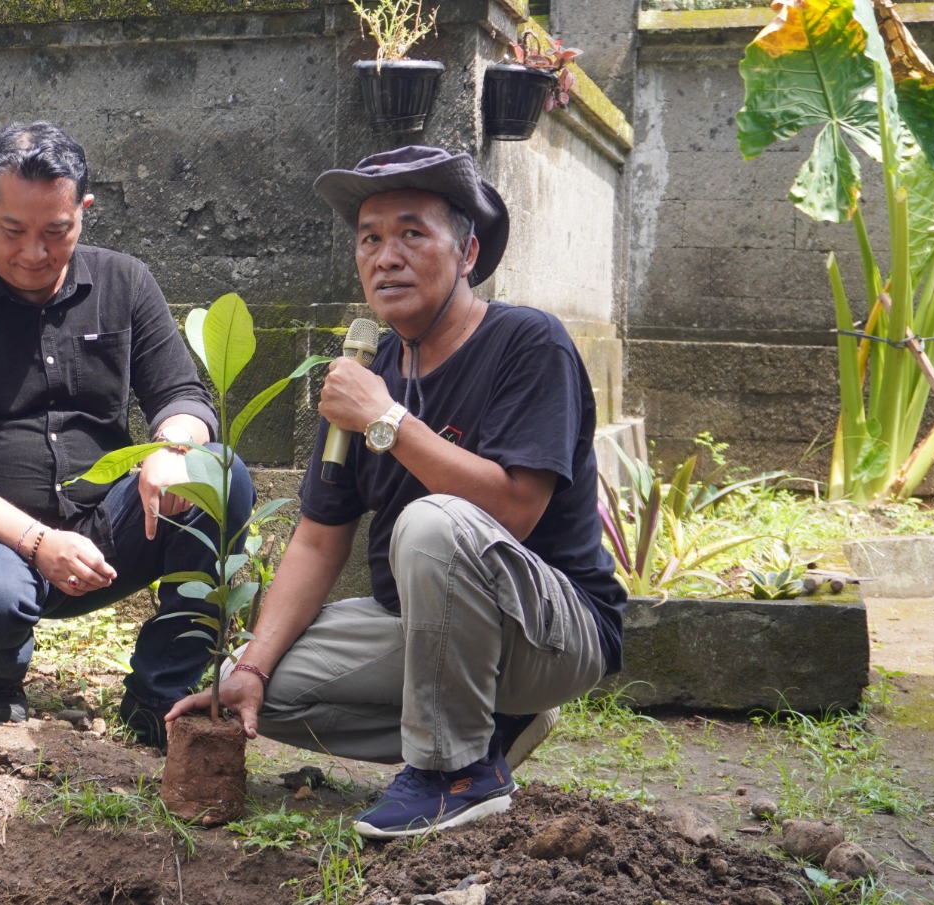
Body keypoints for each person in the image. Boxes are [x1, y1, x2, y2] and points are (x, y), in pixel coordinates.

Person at [168, 145, 626, 838]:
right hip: (420, 625)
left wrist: (385, 419)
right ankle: (495, 725)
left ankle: (455, 772)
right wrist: (254, 662)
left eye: (413, 233)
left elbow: (511, 509)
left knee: (435, 522)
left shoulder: (530, 344)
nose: (387, 256)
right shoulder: (366, 370)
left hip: (552, 631)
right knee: (261, 688)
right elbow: (321, 537)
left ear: (468, 252)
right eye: (370, 238)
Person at [0, 122, 251, 748]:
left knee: (221, 474)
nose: (34, 253)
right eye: (13, 231)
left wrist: (174, 447)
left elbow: (183, 396)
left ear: (82, 212)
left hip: (109, 527)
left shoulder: (126, 283)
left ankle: (160, 692)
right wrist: (35, 542)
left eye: (56, 232)